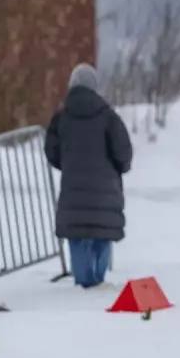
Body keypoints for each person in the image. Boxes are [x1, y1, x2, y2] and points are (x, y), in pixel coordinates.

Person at [44, 64, 132, 288]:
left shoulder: (61, 117)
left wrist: (69, 165)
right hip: (105, 192)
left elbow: (51, 150)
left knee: (77, 235)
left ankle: (83, 281)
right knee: (101, 233)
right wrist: (119, 167)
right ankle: (98, 280)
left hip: (73, 190)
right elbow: (123, 152)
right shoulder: (108, 116)